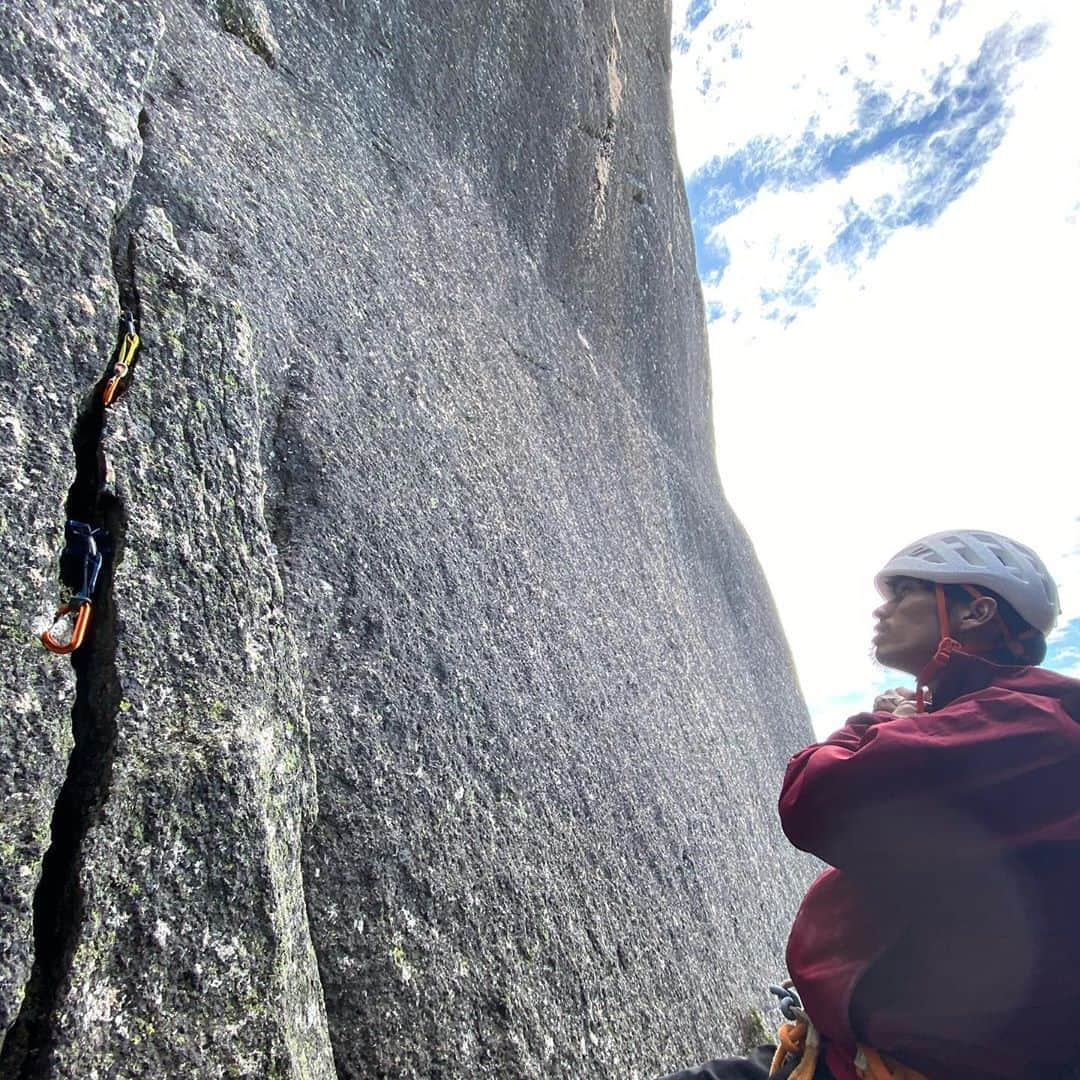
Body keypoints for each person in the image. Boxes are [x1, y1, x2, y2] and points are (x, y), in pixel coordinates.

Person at [661, 529, 1080, 1080]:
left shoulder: (1030, 723)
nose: (882, 610)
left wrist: (874, 721)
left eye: (904, 592)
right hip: (854, 1056)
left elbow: (821, 797)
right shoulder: (984, 719)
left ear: (976, 611)